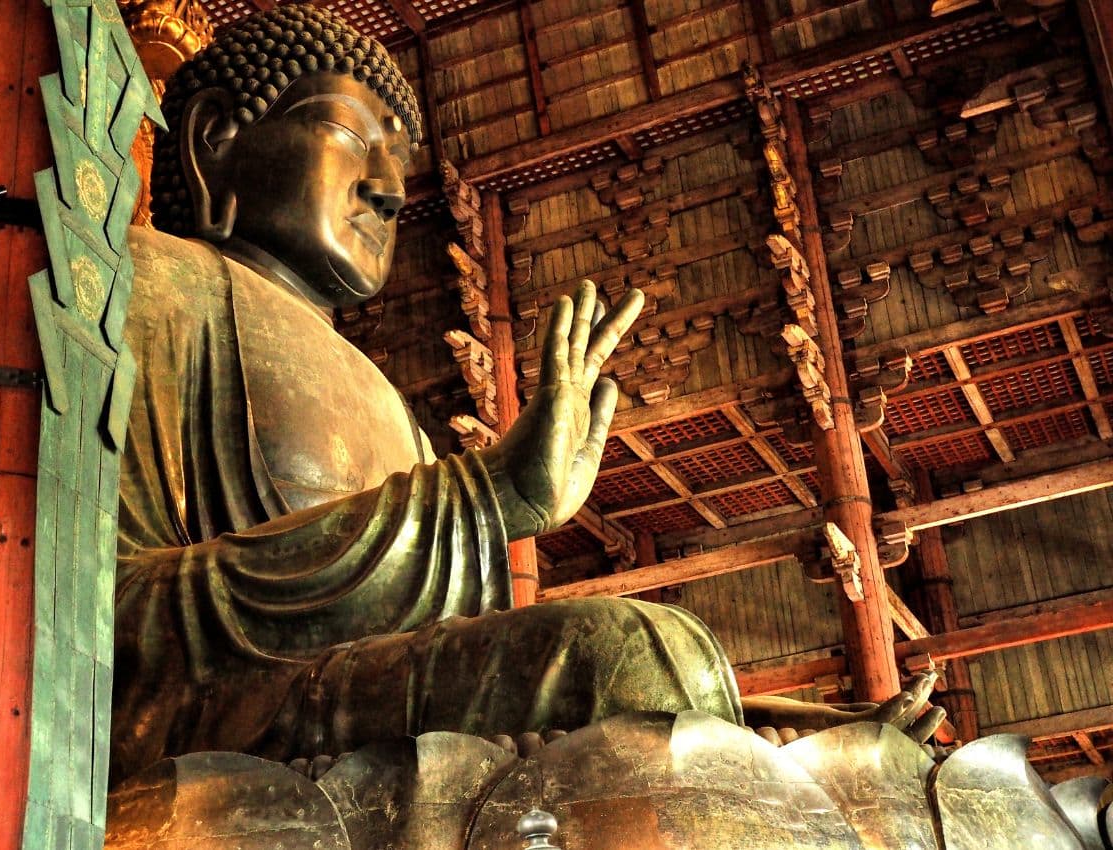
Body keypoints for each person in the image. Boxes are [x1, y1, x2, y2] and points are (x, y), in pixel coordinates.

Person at [111, 4, 940, 787]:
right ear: (215, 139)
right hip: (232, 712)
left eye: (397, 162)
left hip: (357, 698)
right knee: (628, 650)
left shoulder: (396, 410)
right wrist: (482, 500)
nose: (389, 189)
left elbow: (447, 652)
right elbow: (119, 611)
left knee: (666, 653)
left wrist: (752, 717)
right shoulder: (158, 286)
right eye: (347, 133)